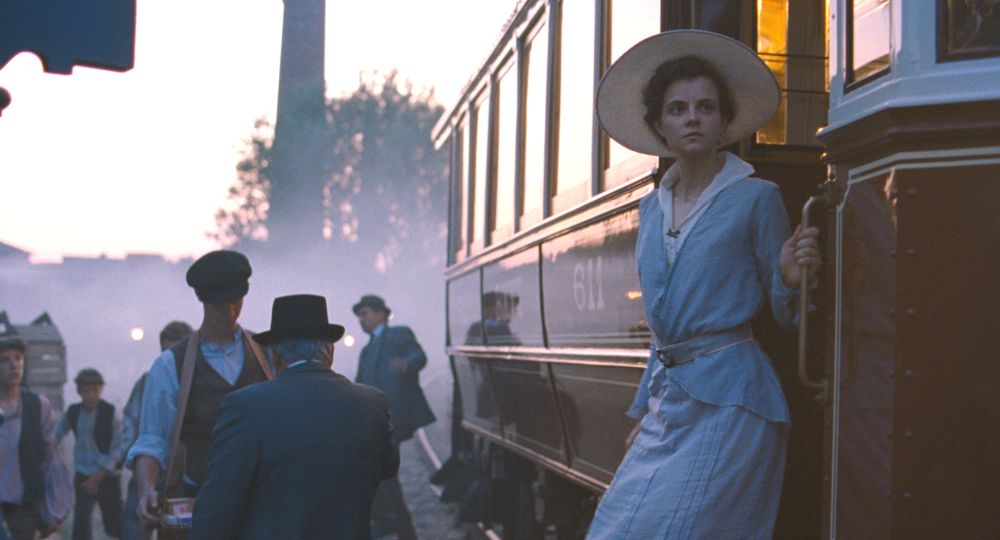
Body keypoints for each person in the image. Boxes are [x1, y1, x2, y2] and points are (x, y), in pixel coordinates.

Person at [585, 30, 821, 538]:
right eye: (677, 109)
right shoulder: (651, 209)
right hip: (667, 407)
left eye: (706, 107)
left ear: (724, 122)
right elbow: (663, 330)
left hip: (733, 400)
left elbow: (787, 316)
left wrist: (789, 279)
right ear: (659, 126)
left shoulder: (757, 197)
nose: (692, 118)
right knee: (613, 530)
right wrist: (644, 409)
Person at [191, 294, 398, 539]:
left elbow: (218, 503)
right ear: (329, 351)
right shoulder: (372, 403)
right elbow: (387, 467)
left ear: (275, 355)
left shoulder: (245, 406)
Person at [127, 250, 273, 528]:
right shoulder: (171, 364)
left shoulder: (268, 353)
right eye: (219, 304)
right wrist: (147, 489)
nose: (229, 312)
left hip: (264, 497)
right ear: (201, 299)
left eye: (235, 302)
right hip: (202, 499)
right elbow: (153, 439)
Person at [353, 294, 435, 540]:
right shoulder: (367, 350)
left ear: (380, 313)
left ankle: (393, 525)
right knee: (379, 472)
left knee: (380, 468)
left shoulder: (398, 333)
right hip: (378, 418)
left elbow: (419, 356)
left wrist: (406, 363)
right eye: (359, 316)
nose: (361, 320)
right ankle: (394, 525)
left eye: (365, 314)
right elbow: (359, 383)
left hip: (397, 413)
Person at [119, 321, 192, 540]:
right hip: (148, 471)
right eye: (167, 351)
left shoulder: (198, 382)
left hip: (184, 476)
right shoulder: (148, 380)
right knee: (135, 528)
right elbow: (129, 422)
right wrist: (138, 460)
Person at [0, 335, 71, 540]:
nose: (14, 365)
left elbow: (52, 461)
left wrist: (55, 510)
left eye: (18, 358)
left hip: (22, 506)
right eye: (5, 360)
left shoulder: (37, 406)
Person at [56, 368, 124, 540]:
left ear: (101, 390)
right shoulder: (73, 412)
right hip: (83, 475)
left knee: (114, 521)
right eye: (86, 391)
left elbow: (118, 447)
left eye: (94, 390)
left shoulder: (110, 412)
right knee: (81, 522)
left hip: (107, 476)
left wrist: (98, 476)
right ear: (79, 391)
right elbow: (56, 434)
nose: (90, 395)